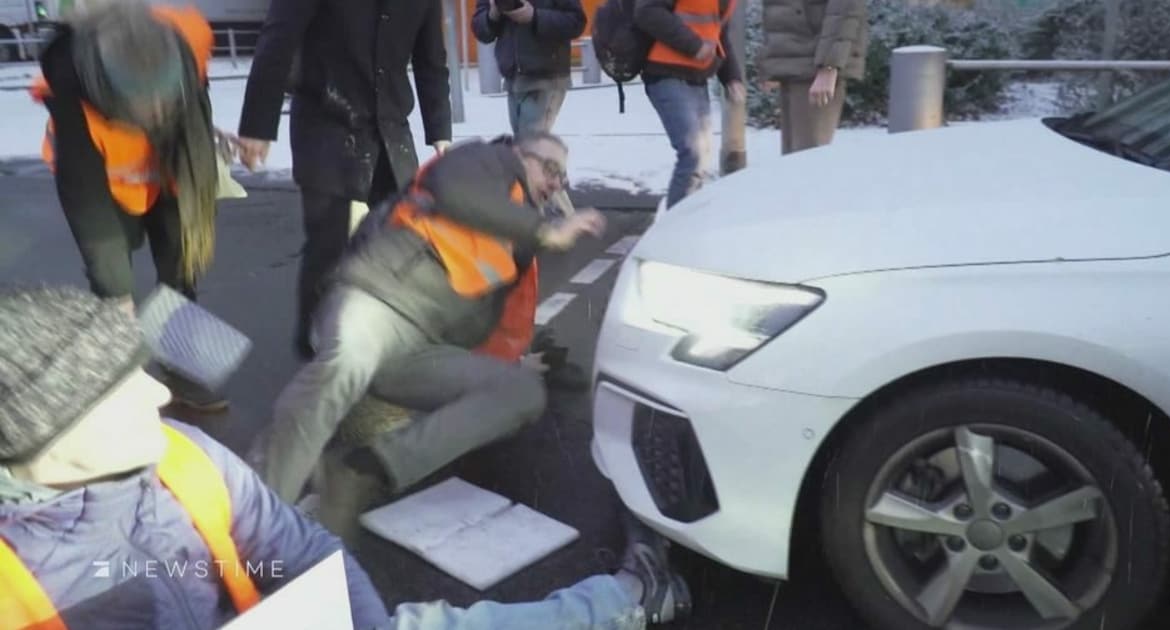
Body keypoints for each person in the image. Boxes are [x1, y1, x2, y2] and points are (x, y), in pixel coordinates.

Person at [0, 284, 687, 628]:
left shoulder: (183, 454)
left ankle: (628, 596)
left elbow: (298, 548)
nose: (157, 394)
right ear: (48, 430)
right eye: (124, 387)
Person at [256, 132, 607, 529]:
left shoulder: (520, 242)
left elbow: (506, 327)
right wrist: (543, 230)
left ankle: (361, 471)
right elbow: (455, 189)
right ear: (517, 154)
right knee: (348, 360)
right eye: (550, 168)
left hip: (420, 348)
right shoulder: (484, 160)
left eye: (563, 177)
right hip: (374, 300)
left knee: (521, 392)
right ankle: (258, 511)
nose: (556, 182)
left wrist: (518, 364)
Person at [28, 0, 228, 411]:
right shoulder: (73, 90)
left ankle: (182, 370)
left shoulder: (187, 42)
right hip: (104, 185)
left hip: (175, 171)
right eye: (145, 109)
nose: (156, 113)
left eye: (164, 104)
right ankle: (119, 380)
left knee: (182, 269)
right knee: (112, 285)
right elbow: (87, 204)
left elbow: (197, 120)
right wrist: (115, 290)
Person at [236, 0, 454, 361]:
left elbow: (432, 59)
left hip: (391, 130)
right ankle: (317, 346)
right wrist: (257, 127)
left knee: (401, 241)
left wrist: (439, 130)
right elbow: (278, 39)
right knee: (328, 246)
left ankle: (387, 336)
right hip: (327, 124)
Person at [471, 0, 584, 219]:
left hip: (547, 78)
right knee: (528, 151)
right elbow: (480, 28)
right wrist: (493, 14)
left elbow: (576, 22)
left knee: (529, 153)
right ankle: (559, 212)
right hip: (515, 78)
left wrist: (535, 17)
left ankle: (541, 218)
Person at [634, 0, 744, 209]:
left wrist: (732, 78)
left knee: (700, 160)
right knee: (693, 154)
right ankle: (673, 231)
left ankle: (687, 225)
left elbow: (719, 35)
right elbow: (647, 11)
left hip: (697, 78)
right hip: (666, 74)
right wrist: (694, 46)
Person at [759, 0, 868, 153]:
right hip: (795, 61)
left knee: (807, 162)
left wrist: (828, 65)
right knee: (792, 166)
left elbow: (844, 7)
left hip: (816, 63)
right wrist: (774, 60)